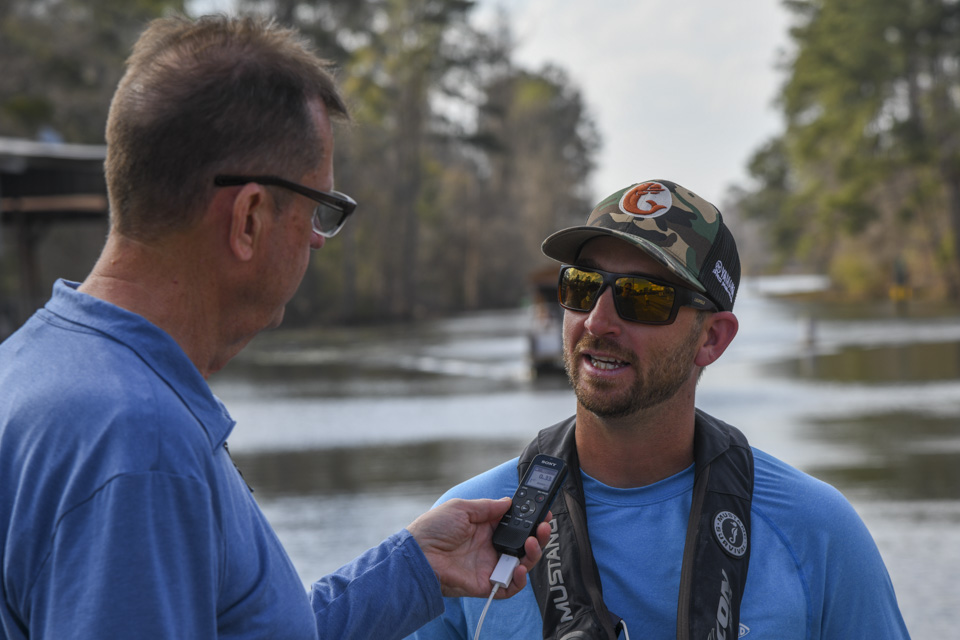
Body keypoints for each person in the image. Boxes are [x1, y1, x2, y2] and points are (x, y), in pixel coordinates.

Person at [0, 15, 549, 640]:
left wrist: (413, 568)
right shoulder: (140, 447)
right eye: (319, 209)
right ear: (250, 218)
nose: (318, 240)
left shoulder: (31, 368)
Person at [409, 180, 911, 640]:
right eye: (582, 286)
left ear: (712, 338)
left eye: (643, 298)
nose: (597, 321)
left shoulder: (817, 533)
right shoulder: (466, 537)